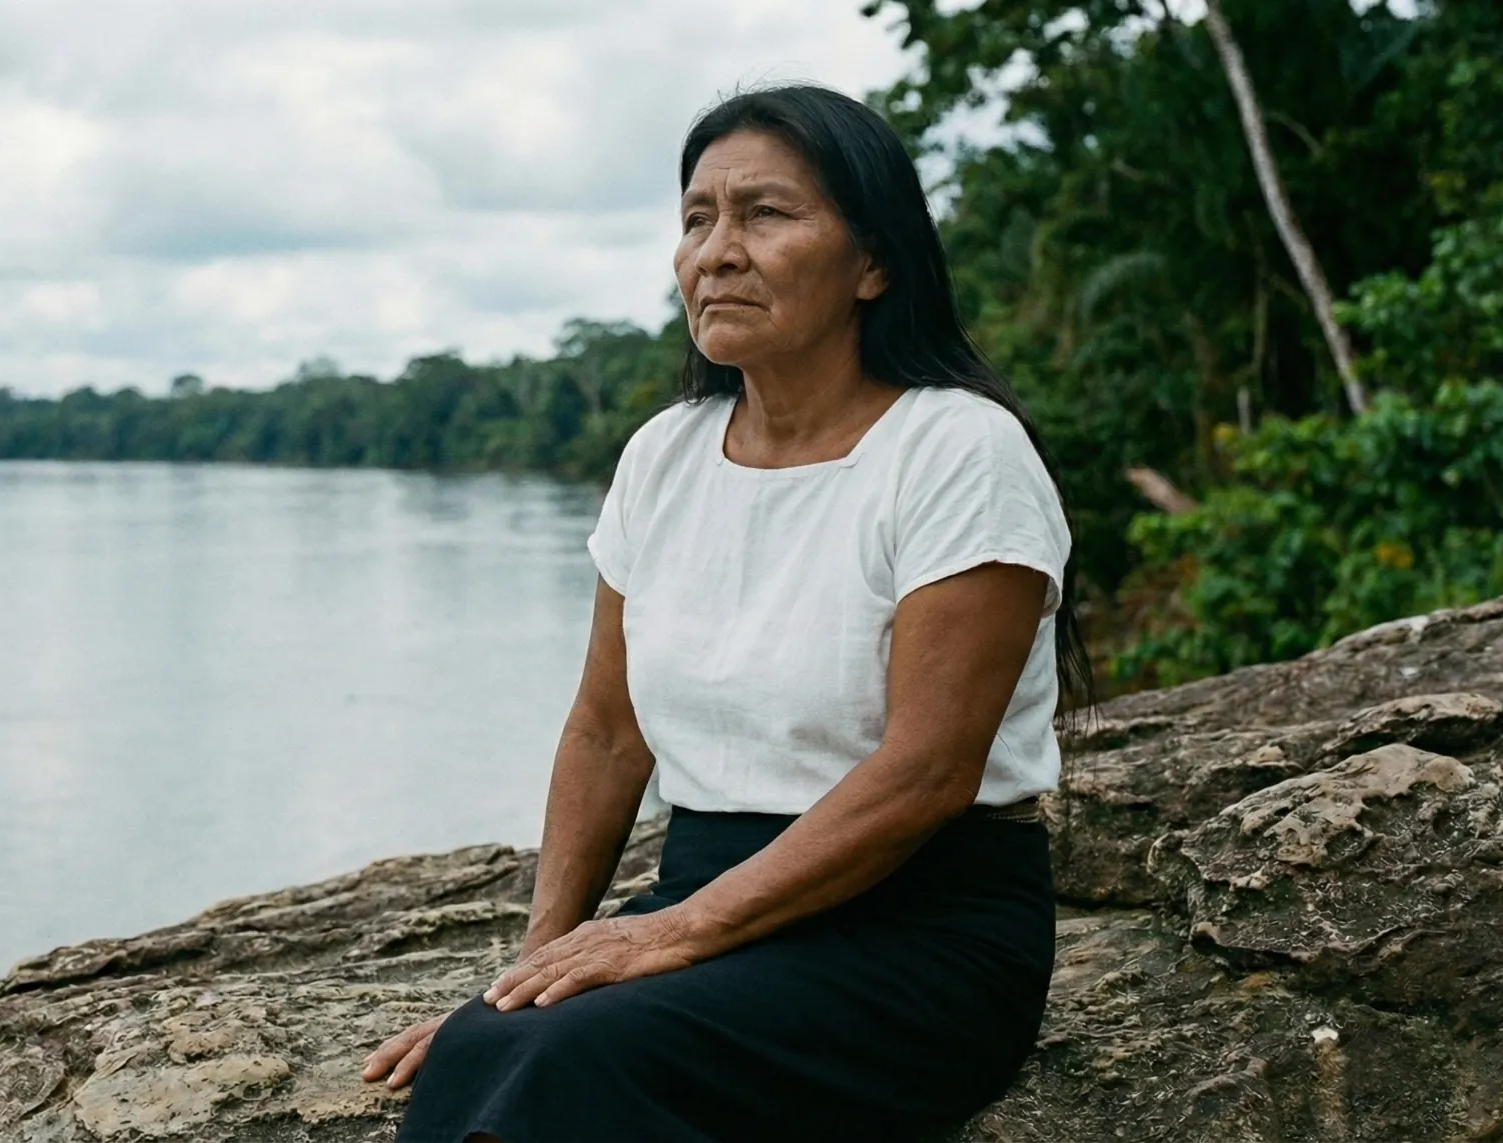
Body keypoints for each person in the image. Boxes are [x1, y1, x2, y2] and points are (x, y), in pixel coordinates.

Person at [360, 83, 1091, 1143]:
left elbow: (926, 771)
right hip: (714, 905)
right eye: (696, 218)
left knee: (579, 1061)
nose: (717, 250)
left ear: (874, 263)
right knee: (489, 1045)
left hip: (919, 931)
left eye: (764, 214)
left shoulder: (957, 452)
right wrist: (534, 969)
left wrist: (675, 933)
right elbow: (605, 734)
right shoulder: (662, 457)